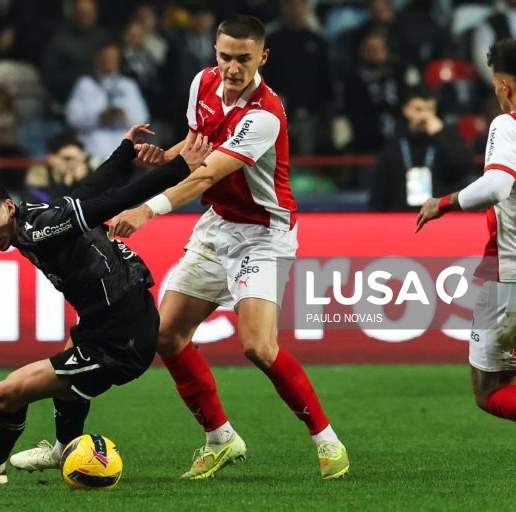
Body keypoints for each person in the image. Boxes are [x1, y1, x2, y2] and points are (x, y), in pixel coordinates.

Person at [107, 14, 350, 480]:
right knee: (166, 335)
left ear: (263, 57)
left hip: (263, 234)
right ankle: (220, 438)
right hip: (218, 225)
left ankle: (327, 440)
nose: (232, 68)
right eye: (225, 57)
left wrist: (146, 210)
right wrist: (167, 157)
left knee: (258, 346)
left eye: (243, 58)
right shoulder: (202, 83)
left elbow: (208, 173)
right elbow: (196, 147)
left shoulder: (265, 115)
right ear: (214, 53)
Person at [0, 124, 212, 485]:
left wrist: (179, 169)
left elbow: (112, 201)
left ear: (8, 206)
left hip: (121, 337)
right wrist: (125, 151)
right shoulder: (34, 216)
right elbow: (89, 190)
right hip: (108, 321)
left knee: (7, 393)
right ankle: (62, 449)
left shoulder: (40, 230)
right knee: (68, 367)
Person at [416, 38, 516, 425]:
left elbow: (495, 187)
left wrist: (443, 203)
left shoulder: (507, 125)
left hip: (508, 275)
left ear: (504, 86)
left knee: (489, 390)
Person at [369, 85, 474, 212]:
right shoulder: (392, 149)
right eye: (418, 110)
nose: (424, 116)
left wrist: (441, 135)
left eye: (429, 110)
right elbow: (378, 197)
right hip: (401, 217)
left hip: (439, 216)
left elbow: (464, 169)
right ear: (406, 110)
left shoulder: (445, 141)